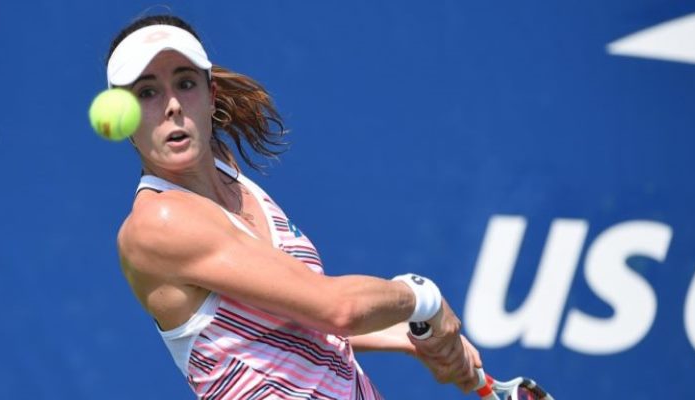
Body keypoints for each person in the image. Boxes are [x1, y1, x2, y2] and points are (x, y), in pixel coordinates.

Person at [110, 14, 482, 399]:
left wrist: (407, 336)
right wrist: (423, 298)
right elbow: (338, 309)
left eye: (186, 83)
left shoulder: (231, 179)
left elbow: (289, 321)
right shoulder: (158, 223)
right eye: (147, 92)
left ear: (211, 96)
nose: (172, 105)